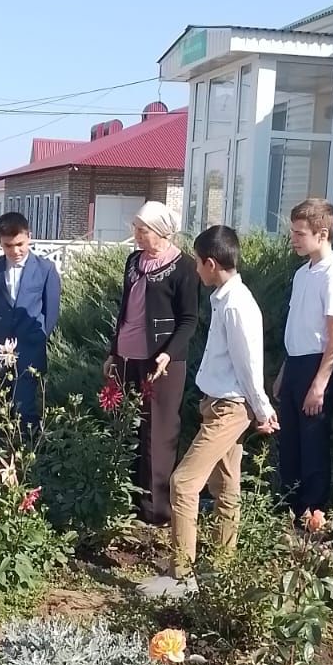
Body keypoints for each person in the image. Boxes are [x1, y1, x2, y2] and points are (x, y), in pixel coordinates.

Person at [167, 224, 278, 588]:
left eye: (198, 264)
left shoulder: (237, 305)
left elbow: (249, 366)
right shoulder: (224, 299)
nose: (196, 270)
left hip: (230, 409)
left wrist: (262, 411)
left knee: (183, 484)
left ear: (211, 263)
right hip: (217, 406)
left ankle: (181, 577)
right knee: (226, 489)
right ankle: (222, 573)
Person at [105, 201, 198, 524]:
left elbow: (189, 319)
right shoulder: (133, 261)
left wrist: (168, 352)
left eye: (142, 231)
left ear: (160, 231)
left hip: (163, 361)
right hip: (129, 356)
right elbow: (126, 311)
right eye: (136, 229)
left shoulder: (185, 267)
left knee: (158, 432)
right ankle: (129, 502)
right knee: (130, 428)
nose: (137, 236)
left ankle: (158, 512)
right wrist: (113, 351)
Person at [275, 197, 333, 519]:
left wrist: (319, 384)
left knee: (313, 442)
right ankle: (290, 509)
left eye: (300, 233)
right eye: (293, 232)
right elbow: (298, 327)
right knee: (290, 442)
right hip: (295, 363)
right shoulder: (303, 273)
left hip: (316, 366)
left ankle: (314, 510)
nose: (294, 239)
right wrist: (283, 372)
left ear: (322, 234)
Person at [0, 211, 61, 431]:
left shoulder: (46, 270)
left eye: (20, 244)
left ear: (29, 237)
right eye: (8, 246)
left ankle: (28, 454)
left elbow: (51, 311)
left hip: (30, 347)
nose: (15, 251)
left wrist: (38, 337)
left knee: (25, 407)